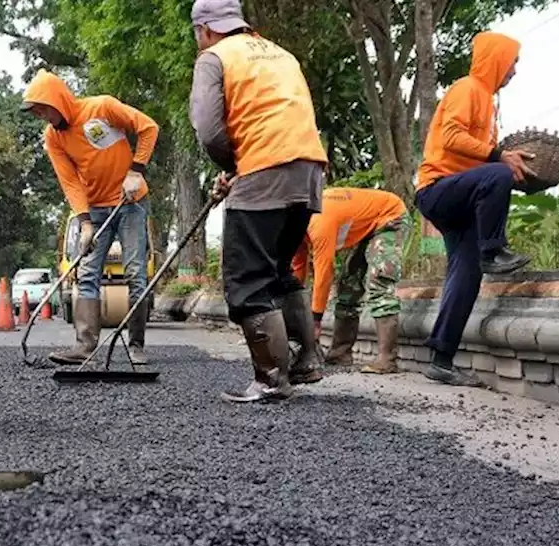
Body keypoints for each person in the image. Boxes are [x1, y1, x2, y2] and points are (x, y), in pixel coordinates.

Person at [189, 0, 329, 403]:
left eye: (198, 34)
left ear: (206, 29)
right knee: (279, 269)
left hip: (265, 170)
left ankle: (270, 380)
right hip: (308, 171)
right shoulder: (280, 54)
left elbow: (208, 128)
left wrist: (233, 164)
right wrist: (242, 165)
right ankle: (307, 360)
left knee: (248, 278)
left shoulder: (214, 57)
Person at [414, 31, 532, 387]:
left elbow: (481, 165)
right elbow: (450, 137)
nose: (514, 71)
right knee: (498, 172)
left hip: (461, 199)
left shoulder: (489, 102)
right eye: (512, 62)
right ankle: (493, 251)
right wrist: (499, 160)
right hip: (436, 189)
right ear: (497, 59)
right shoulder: (468, 88)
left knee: (466, 276)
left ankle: (441, 359)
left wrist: (512, 169)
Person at [20, 70, 160, 365]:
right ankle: (85, 347)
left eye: (43, 109)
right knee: (86, 274)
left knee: (135, 272)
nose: (42, 116)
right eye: (36, 113)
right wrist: (84, 222)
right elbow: (70, 181)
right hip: (95, 209)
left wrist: (136, 170)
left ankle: (136, 345)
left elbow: (148, 128)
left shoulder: (102, 107)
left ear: (57, 100)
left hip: (131, 201)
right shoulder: (53, 137)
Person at [290, 187, 410, 374]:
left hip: (390, 216)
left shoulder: (318, 221)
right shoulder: (294, 229)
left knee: (379, 279)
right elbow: (298, 272)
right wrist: (294, 312)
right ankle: (340, 353)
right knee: (348, 284)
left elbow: (324, 271)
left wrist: (315, 320)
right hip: (368, 226)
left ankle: (387, 359)